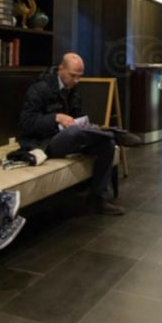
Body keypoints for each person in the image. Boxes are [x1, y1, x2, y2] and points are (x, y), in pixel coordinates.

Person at [17, 53, 140, 216]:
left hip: (69, 138)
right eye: (73, 76)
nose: (76, 81)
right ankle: (114, 133)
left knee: (107, 144)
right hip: (44, 142)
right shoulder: (40, 88)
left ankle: (98, 199)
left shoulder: (73, 91)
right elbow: (26, 123)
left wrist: (81, 123)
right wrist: (55, 117)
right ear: (61, 69)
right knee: (75, 131)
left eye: (79, 77)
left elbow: (76, 118)